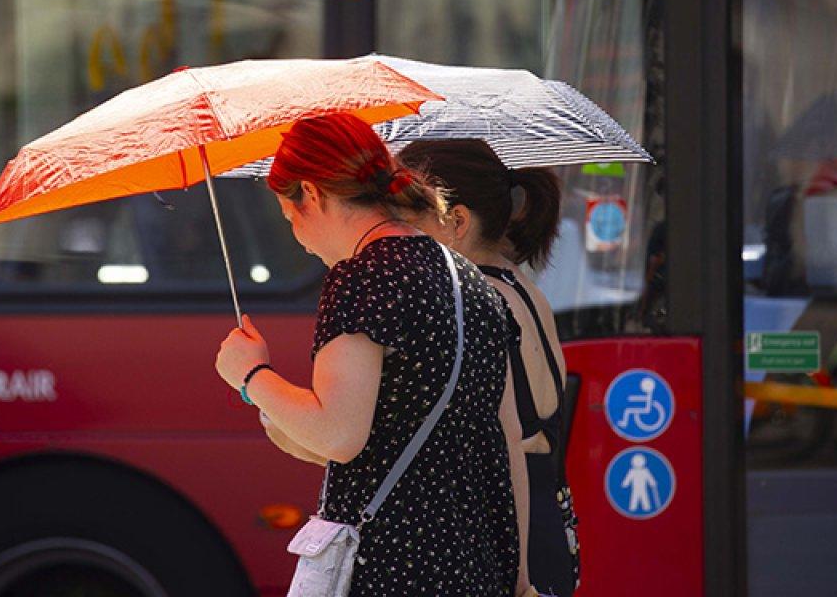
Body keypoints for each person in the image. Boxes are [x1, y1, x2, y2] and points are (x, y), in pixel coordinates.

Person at [215, 113, 532, 597]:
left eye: (289, 217)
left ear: (313, 194)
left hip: (392, 565)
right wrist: (520, 577)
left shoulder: (362, 277)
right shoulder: (472, 281)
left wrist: (252, 374)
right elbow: (505, 438)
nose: (298, 239)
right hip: (477, 563)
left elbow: (340, 433)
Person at [398, 139, 580, 597]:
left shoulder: (477, 305)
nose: (398, 233)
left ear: (456, 221)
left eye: (409, 216)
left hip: (504, 545)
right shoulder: (524, 289)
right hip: (550, 532)